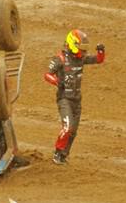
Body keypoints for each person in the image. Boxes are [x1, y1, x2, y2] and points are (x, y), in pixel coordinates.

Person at [44, 29, 105, 165]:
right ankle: (57, 153)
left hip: (77, 100)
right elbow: (47, 74)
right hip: (64, 98)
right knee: (67, 127)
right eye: (81, 48)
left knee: (73, 132)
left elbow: (98, 60)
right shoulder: (60, 59)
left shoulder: (81, 59)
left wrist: (101, 51)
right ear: (72, 44)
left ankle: (63, 156)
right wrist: (57, 82)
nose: (83, 52)